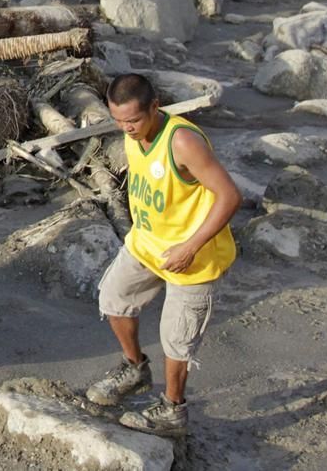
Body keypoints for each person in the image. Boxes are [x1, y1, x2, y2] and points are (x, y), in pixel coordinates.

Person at [86, 73, 242, 437]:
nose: (126, 128)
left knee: (177, 338)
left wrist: (190, 247)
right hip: (147, 244)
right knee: (113, 298)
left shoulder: (183, 142)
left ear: (155, 106)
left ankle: (173, 409)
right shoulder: (132, 136)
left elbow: (230, 196)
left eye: (134, 120)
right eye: (119, 120)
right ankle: (135, 367)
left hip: (193, 257)